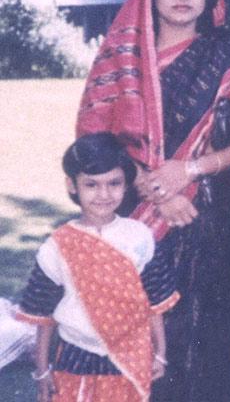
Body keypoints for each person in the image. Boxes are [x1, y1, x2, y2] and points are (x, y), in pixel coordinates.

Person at [75, 0, 230, 401]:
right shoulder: (121, 61)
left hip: (205, 218)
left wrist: (191, 168)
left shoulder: (229, 59)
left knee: (203, 336)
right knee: (131, 338)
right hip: (129, 218)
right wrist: (150, 185)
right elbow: (94, 137)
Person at [16, 132, 179, 402]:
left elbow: (154, 304)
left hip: (130, 357)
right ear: (72, 185)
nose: (104, 194)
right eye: (91, 185)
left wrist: (160, 352)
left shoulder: (140, 237)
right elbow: (44, 317)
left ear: (126, 184)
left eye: (114, 183)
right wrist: (42, 371)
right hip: (75, 355)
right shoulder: (57, 246)